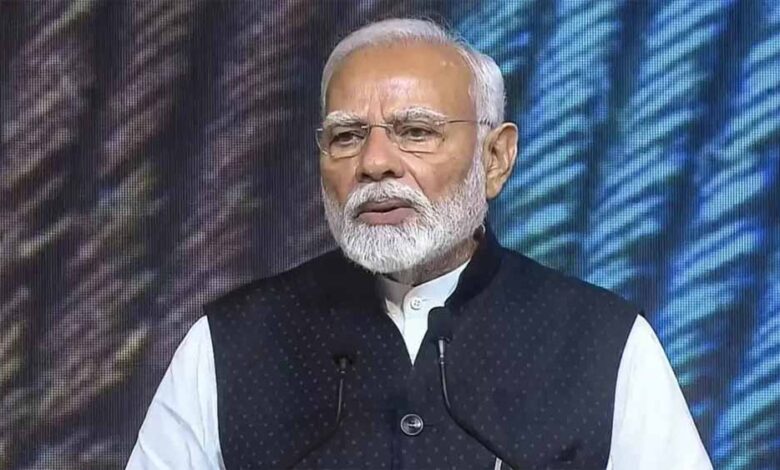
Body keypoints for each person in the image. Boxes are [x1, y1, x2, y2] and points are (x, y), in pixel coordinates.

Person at [126, 18, 713, 470]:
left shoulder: (603, 342)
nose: (375, 162)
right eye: (347, 136)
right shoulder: (230, 343)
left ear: (495, 158)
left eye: (416, 131)